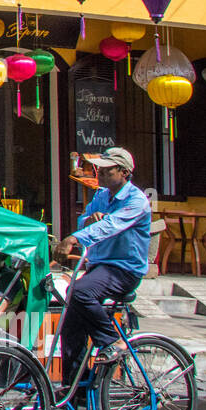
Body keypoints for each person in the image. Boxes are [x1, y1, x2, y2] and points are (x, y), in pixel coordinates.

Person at [54, 146, 151, 382]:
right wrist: (87, 220)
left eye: (108, 170)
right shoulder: (100, 196)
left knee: (81, 291)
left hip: (124, 270)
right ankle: (75, 389)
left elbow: (111, 226)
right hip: (100, 267)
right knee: (70, 326)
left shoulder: (136, 201)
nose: (101, 173)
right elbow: (85, 220)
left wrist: (75, 238)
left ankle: (112, 341)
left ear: (124, 172)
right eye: (101, 169)